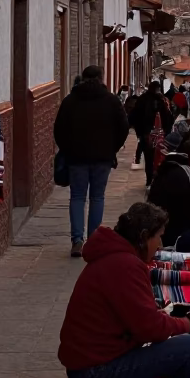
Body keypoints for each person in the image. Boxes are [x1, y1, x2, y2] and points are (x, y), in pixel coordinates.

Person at [58, 201, 190, 378]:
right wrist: (188, 324)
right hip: (94, 375)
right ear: (144, 236)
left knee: (185, 352)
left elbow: (139, 320)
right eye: (158, 237)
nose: (160, 244)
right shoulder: (124, 265)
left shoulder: (116, 258)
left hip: (87, 369)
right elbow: (151, 329)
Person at [54, 65, 130, 257]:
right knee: (97, 197)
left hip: (76, 158)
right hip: (102, 158)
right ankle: (94, 240)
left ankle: (77, 241)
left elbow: (59, 130)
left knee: (78, 197)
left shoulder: (70, 101)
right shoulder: (111, 101)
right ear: (101, 78)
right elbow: (123, 127)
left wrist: (68, 149)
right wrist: (111, 148)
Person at [129, 81, 173, 186]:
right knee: (156, 158)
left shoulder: (147, 99)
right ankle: (153, 179)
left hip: (149, 135)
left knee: (151, 158)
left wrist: (139, 133)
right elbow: (168, 117)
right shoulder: (160, 100)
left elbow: (134, 117)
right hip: (156, 135)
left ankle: (151, 180)